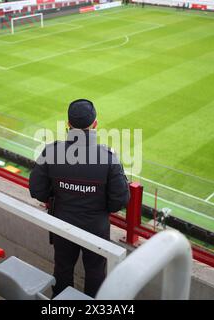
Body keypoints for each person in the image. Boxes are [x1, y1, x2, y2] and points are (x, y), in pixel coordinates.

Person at [29, 99, 130, 298]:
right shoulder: (109, 158)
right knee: (95, 273)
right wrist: (100, 206)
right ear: (95, 124)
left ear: (68, 124)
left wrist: (57, 195)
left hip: (62, 223)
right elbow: (119, 201)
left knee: (63, 269)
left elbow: (37, 191)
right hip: (96, 227)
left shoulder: (51, 151)